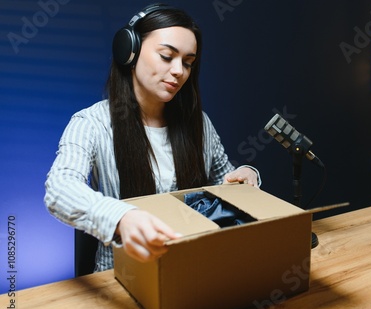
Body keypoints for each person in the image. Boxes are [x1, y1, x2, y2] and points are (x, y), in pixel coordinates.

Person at [44, 3, 261, 272]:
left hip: (195, 268)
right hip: (124, 275)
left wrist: (243, 175)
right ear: (129, 53)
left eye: (188, 62)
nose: (179, 71)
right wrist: (122, 218)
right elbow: (59, 189)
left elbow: (222, 181)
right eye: (167, 56)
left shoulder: (200, 124)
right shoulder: (92, 123)